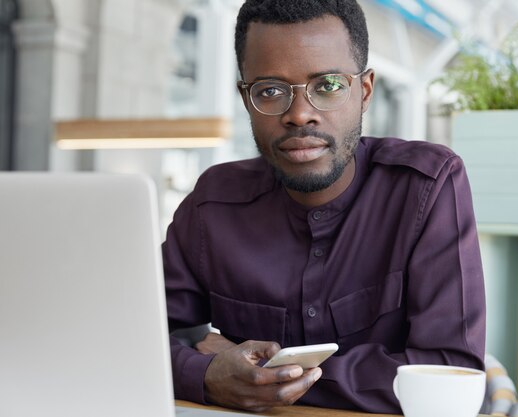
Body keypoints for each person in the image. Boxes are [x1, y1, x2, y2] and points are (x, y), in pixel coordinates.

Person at [163, 0, 486, 413]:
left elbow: (448, 370)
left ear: (364, 91)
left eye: (328, 85)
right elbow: (134, 334)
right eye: (271, 91)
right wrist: (206, 373)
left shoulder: (426, 187)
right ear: (246, 98)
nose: (299, 115)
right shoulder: (213, 204)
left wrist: (259, 376)